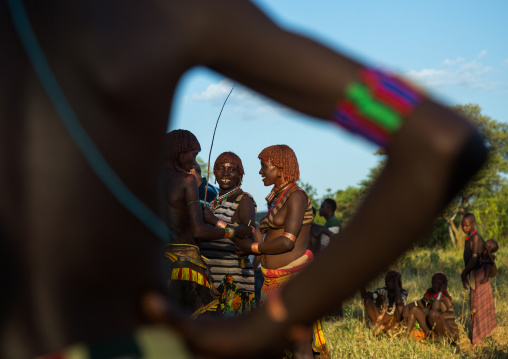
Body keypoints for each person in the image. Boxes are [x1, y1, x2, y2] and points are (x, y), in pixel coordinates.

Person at [1, 0, 487, 357]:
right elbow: (437, 140)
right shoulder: (170, 13)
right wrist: (270, 321)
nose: (250, 173)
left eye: (257, 167)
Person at [235, 144, 330, 358]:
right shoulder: (278, 198)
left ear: (279, 167)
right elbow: (271, 237)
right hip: (271, 282)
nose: (260, 171)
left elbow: (287, 242)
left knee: (299, 345)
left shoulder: (297, 196)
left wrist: (252, 247)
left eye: (263, 166)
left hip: (291, 281)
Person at [161, 130, 252, 318]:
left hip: (161, 263)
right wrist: (232, 232)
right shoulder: (187, 180)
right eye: (193, 155)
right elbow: (199, 230)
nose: (194, 162)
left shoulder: (154, 180)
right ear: (180, 151)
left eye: (232, 170)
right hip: (186, 266)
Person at [200, 151, 259, 316]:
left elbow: (247, 236)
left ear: (239, 174)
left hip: (233, 281)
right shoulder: (212, 203)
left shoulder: (244, 200)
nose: (225, 173)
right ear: (215, 173)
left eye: (231, 169)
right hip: (211, 280)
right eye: (220, 168)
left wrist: (214, 221)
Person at [461, 213, 497, 344]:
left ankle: (479, 337)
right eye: (462, 225)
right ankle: (481, 334)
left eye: (466, 225)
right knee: (475, 304)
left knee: (478, 305)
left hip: (479, 274)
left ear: (473, 224)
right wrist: (466, 274)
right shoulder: (469, 237)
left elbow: (475, 257)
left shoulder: (475, 237)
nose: (464, 228)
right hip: (474, 273)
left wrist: (464, 273)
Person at [405, 272, 459, 342]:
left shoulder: (447, 299)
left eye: (438, 283)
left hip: (449, 333)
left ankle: (441, 340)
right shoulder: (430, 295)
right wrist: (406, 307)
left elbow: (434, 309)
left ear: (443, 285)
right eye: (433, 283)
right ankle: (404, 338)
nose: (435, 285)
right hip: (434, 330)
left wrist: (440, 291)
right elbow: (419, 303)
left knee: (433, 313)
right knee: (415, 310)